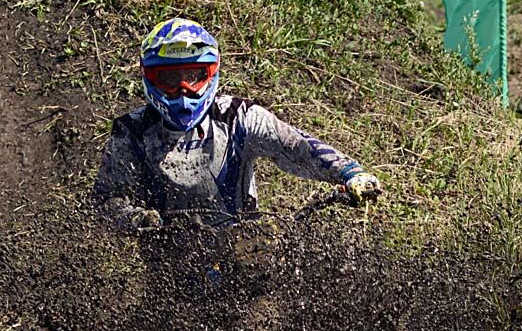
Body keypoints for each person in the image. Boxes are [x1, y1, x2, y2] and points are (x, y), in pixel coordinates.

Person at [93, 17, 381, 232]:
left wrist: (349, 173)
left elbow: (296, 146)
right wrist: (137, 220)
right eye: (170, 78)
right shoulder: (131, 131)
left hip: (244, 252)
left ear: (210, 74)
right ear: (150, 77)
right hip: (167, 265)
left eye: (193, 76)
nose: (183, 90)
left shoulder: (237, 116)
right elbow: (106, 201)